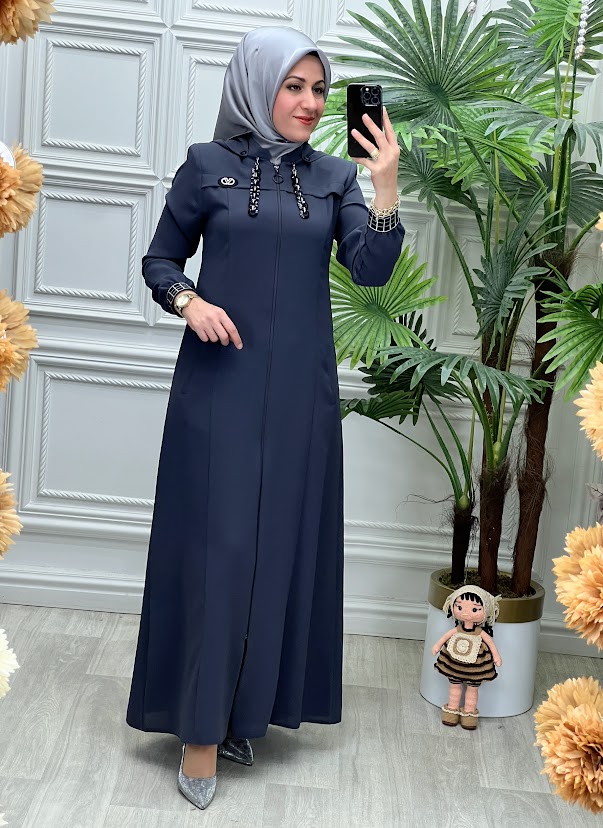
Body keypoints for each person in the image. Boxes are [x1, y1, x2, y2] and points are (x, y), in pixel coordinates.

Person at [126, 25, 404, 810]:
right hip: (220, 385)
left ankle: (245, 713)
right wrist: (189, 301)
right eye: (293, 86)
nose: (310, 103)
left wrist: (383, 186)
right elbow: (159, 260)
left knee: (277, 549)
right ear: (256, 86)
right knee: (217, 553)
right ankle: (200, 731)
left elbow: (370, 270)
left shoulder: (335, 177)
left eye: (319, 90)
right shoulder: (205, 165)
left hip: (299, 397)